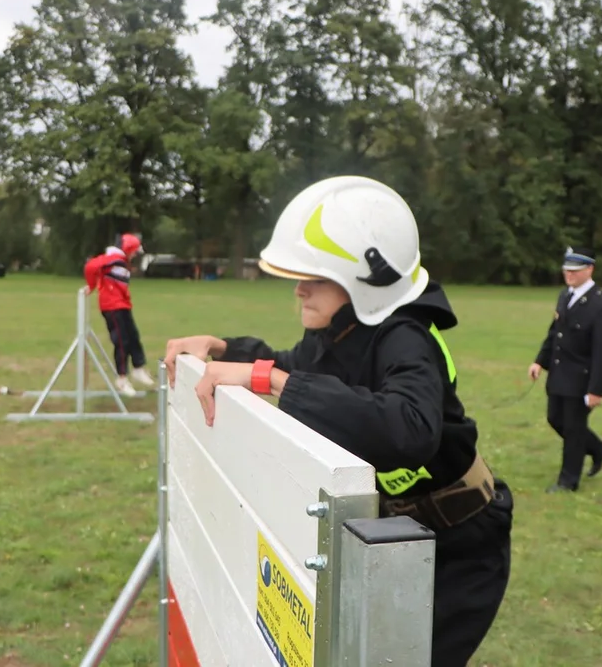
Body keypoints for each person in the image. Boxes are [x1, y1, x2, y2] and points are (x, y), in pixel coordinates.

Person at [163, 176, 513, 667]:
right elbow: (291, 365)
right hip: (398, 542)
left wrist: (273, 381)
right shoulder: (343, 329)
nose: (299, 290)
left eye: (317, 277)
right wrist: (225, 349)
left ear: (366, 279)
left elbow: (409, 429)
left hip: (461, 547)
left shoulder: (406, 337)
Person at [527, 246, 602, 493]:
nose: (569, 275)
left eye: (575, 271)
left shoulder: (600, 305)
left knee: (574, 430)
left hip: (581, 380)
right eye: (567, 270)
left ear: (590, 269)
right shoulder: (565, 296)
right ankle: (597, 448)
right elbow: (555, 333)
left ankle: (568, 481)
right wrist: (539, 361)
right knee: (555, 419)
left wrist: (596, 390)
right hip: (558, 375)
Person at [83, 233, 154, 394]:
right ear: (128, 249)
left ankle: (138, 368)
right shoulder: (112, 258)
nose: (136, 254)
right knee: (122, 341)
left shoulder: (122, 261)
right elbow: (90, 267)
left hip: (122, 305)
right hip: (111, 307)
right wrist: (91, 285)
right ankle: (121, 378)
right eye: (135, 251)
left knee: (133, 336)